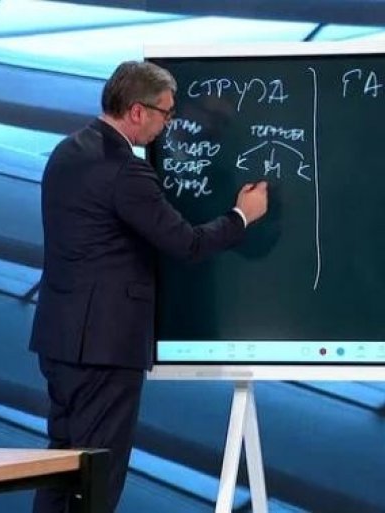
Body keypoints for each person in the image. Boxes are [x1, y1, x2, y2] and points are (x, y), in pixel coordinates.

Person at [29, 61, 268, 513]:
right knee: (97, 475)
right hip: (104, 348)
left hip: (59, 339)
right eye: (165, 113)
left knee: (62, 467)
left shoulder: (66, 152)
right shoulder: (125, 172)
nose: (168, 124)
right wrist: (242, 216)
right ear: (137, 111)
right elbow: (187, 243)